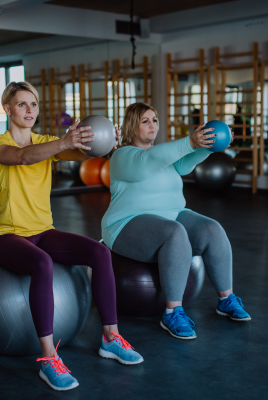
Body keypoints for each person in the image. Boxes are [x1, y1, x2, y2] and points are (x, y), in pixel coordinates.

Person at [0, 82, 142, 392]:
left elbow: (76, 152)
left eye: (33, 104)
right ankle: (48, 359)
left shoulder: (46, 140)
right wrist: (63, 142)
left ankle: (110, 338)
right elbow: (23, 157)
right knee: (42, 264)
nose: (29, 110)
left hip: (43, 231)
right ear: (7, 109)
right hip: (6, 236)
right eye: (21, 104)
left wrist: (99, 143)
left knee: (100, 253)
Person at [101, 102, 251, 340]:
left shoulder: (163, 155)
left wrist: (208, 146)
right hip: (126, 224)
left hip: (171, 215)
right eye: (145, 121)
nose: (153, 125)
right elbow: (147, 163)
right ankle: (172, 312)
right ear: (132, 125)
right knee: (174, 233)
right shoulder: (122, 156)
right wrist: (189, 142)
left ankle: (226, 299)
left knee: (212, 228)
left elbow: (185, 163)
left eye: (155, 120)